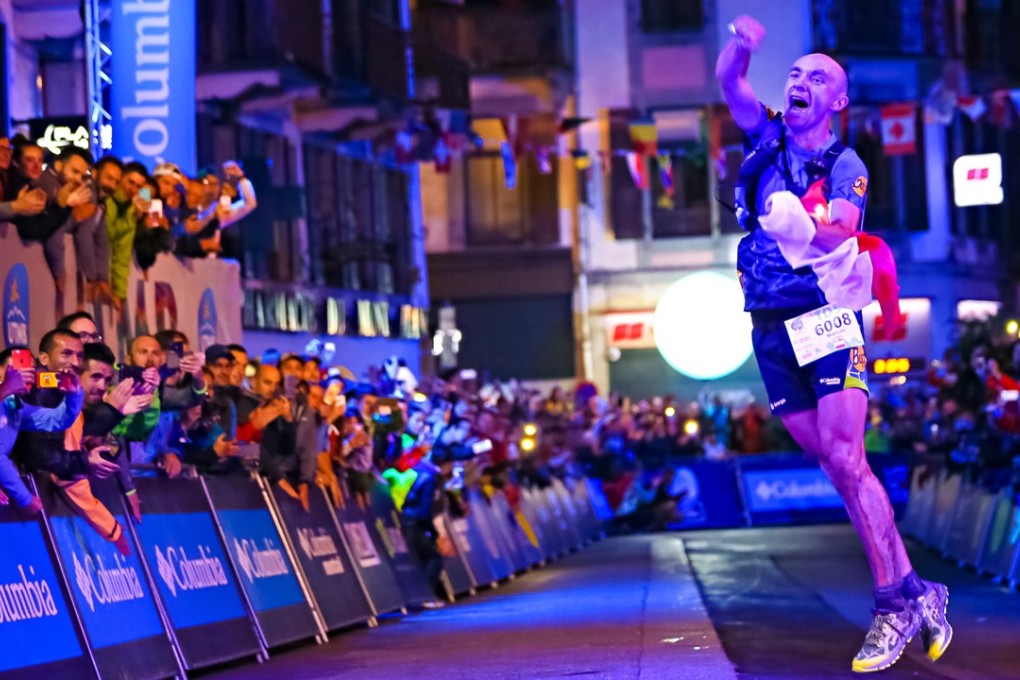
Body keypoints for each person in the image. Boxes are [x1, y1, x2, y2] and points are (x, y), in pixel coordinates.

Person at [717, 16, 950, 673]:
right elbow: (730, 80)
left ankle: (889, 606)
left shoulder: (842, 162)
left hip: (825, 316)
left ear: (837, 102)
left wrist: (802, 225)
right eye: (795, 73)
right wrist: (742, 45)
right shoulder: (762, 135)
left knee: (850, 459)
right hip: (767, 323)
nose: (800, 82)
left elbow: (840, 231)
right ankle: (916, 590)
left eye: (816, 77)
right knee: (839, 468)